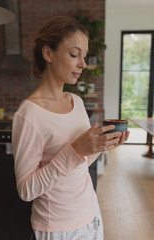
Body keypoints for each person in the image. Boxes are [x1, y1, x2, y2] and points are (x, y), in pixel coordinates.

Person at [12, 16, 130, 240]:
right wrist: (74, 150)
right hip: (57, 228)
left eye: (83, 56)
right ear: (48, 54)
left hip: (91, 215)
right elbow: (26, 190)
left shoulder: (76, 102)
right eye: (75, 54)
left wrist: (101, 145)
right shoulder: (28, 114)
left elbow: (79, 164)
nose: (83, 64)